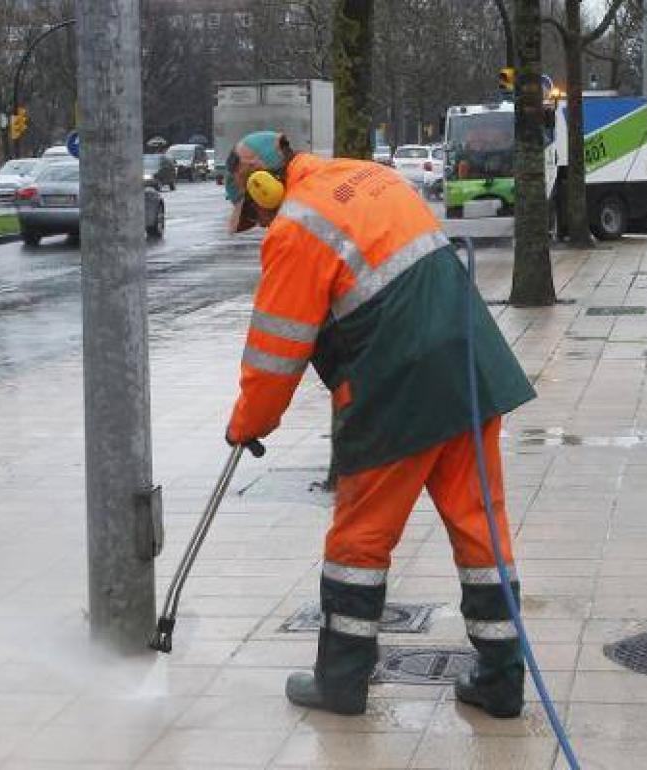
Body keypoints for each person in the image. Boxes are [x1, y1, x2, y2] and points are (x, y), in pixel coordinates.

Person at [222, 131, 537, 718]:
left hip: (397, 387)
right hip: (468, 366)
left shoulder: (296, 227)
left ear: (263, 186)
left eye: (253, 214)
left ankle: (341, 682)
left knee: (359, 540)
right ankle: (500, 680)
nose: (260, 226)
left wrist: (248, 423)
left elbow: (276, 352)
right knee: (480, 527)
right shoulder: (371, 176)